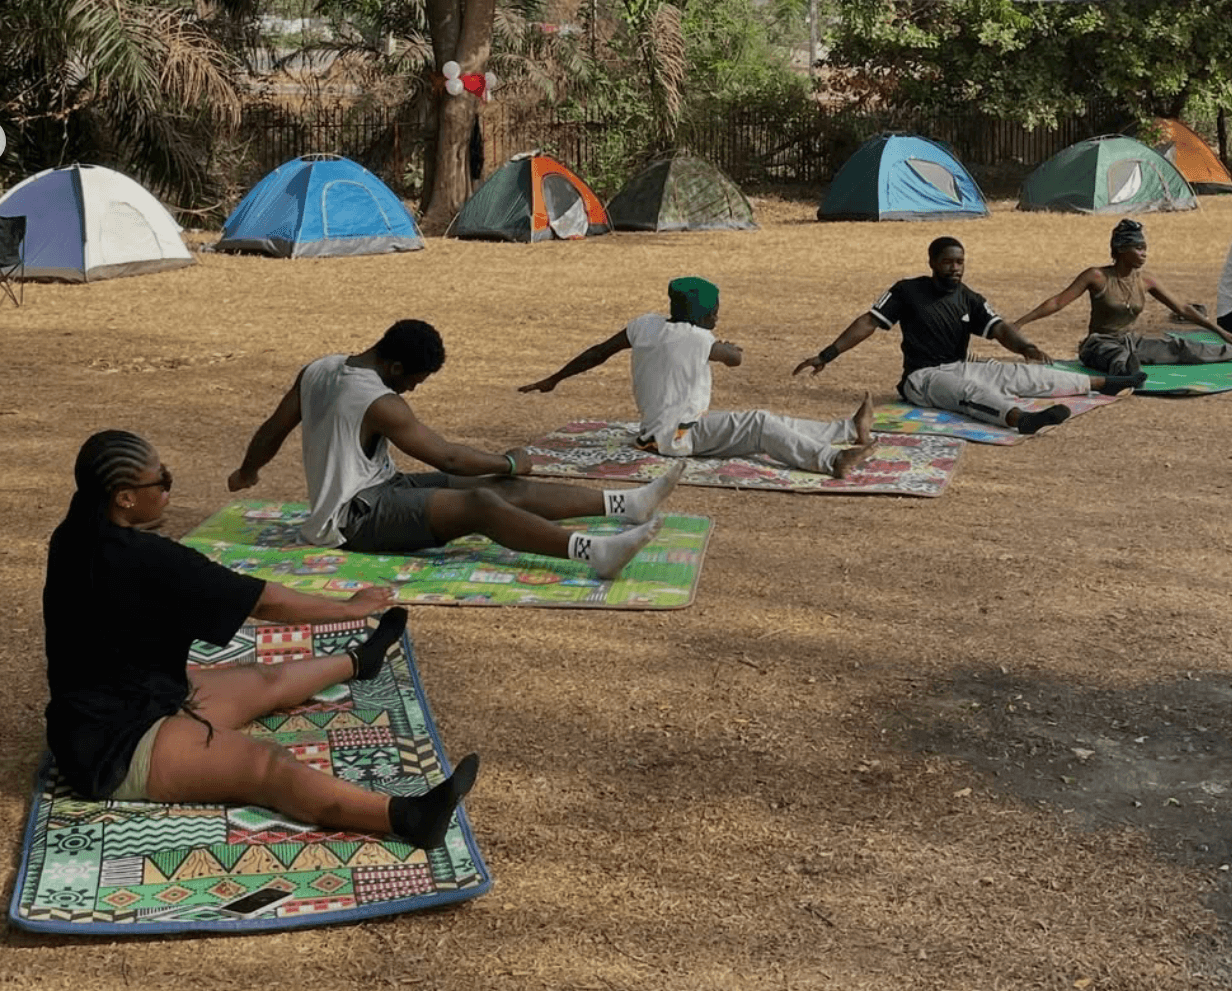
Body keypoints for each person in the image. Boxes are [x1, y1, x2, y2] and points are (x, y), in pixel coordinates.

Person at [44, 430, 478, 847]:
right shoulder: (148, 560)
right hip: (113, 748)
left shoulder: (72, 534)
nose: (167, 488)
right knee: (266, 765)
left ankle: (359, 661)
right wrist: (347, 608)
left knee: (264, 679)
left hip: (129, 698)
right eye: (162, 481)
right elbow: (266, 603)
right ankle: (410, 817)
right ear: (124, 497)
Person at [228, 320, 682, 581]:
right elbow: (446, 457)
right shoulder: (379, 401)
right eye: (414, 381)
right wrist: (510, 461)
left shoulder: (319, 369)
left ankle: (627, 504)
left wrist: (248, 470)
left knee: (496, 487)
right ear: (395, 366)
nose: (412, 389)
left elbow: (273, 429)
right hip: (350, 521)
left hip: (381, 488)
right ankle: (595, 553)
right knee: (481, 502)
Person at [518, 276, 876, 478]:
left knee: (767, 424)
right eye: (715, 314)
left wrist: (554, 378)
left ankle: (846, 430)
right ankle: (831, 461)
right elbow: (735, 358)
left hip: (664, 428)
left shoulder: (645, 325)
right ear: (703, 317)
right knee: (758, 424)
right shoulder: (697, 338)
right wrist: (724, 345)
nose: (717, 319)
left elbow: (598, 351)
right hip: (675, 436)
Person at [792, 236, 1140, 435]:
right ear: (932, 262)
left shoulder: (969, 297)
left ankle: (1105, 383)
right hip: (923, 378)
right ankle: (1021, 420)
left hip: (961, 365)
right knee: (971, 394)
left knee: (1020, 375)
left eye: (960, 262)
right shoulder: (907, 291)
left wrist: (1026, 347)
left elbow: (999, 328)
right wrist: (827, 354)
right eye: (948, 262)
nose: (955, 268)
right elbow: (868, 322)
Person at [1015, 217, 1232, 373]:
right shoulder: (1097, 276)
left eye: (1144, 248)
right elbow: (1057, 302)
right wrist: (1019, 323)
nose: (1144, 253)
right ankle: (1127, 372)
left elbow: (1182, 308)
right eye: (1138, 248)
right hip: (1099, 344)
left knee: (1182, 349)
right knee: (1118, 358)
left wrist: (1221, 332)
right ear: (1121, 249)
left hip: (1131, 342)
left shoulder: (1146, 280)